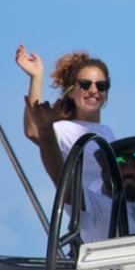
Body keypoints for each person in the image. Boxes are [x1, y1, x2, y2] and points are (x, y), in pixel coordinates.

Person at [27, 96, 135, 244]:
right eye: (120, 161)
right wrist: (46, 131)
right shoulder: (95, 209)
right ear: (108, 174)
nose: (128, 168)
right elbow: (62, 180)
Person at [16, 44, 115, 192]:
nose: (94, 91)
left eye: (101, 85)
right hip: (84, 210)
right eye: (85, 84)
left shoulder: (108, 133)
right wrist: (36, 77)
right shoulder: (65, 129)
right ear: (70, 92)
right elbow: (34, 131)